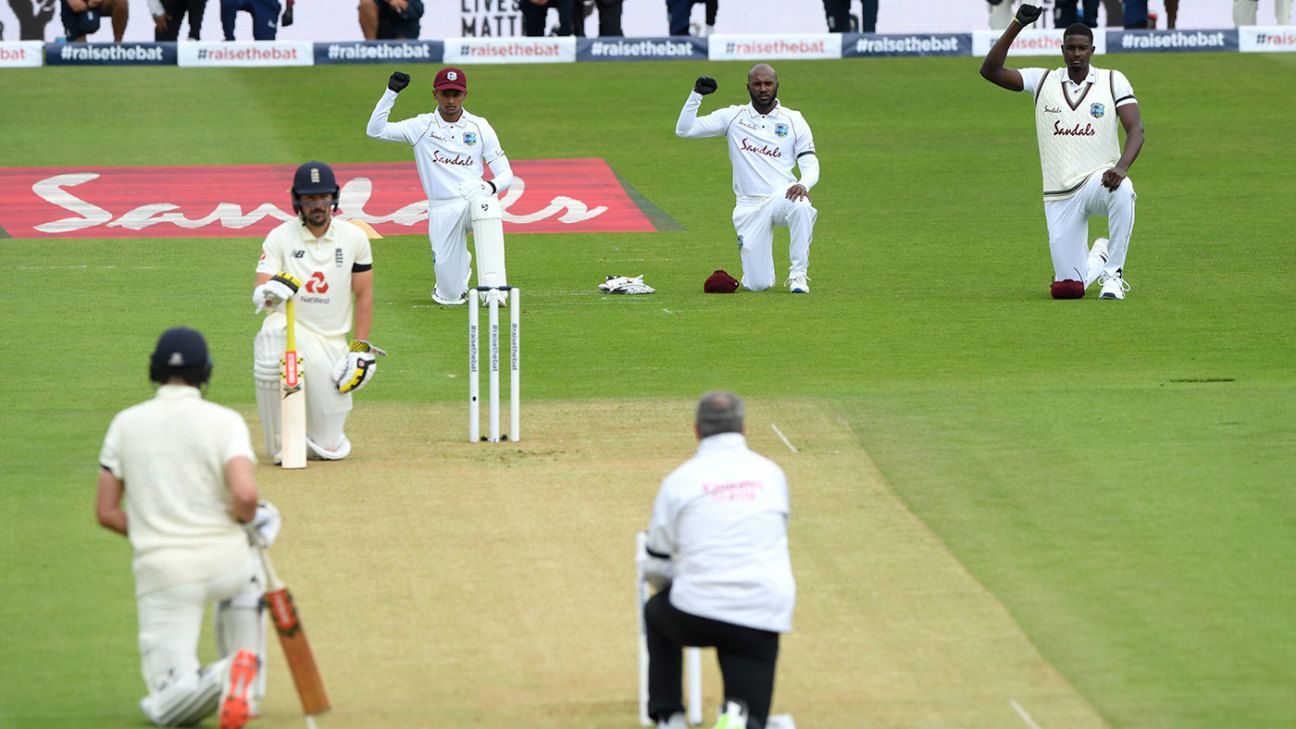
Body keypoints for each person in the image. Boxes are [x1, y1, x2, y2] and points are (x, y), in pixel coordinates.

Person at [96, 327, 280, 729]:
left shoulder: (125, 424)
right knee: (247, 574)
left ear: (154, 371)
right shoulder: (225, 421)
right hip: (226, 562)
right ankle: (243, 687)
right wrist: (249, 523)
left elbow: (106, 511)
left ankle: (222, 676)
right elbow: (246, 496)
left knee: (167, 703)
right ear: (206, 372)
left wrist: (152, 533)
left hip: (164, 573)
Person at [639, 391, 795, 729]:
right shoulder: (772, 474)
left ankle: (670, 716)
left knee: (655, 612)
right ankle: (739, 716)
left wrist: (683, 579)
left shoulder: (679, 481)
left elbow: (653, 561)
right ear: (743, 428)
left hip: (697, 610)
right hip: (761, 611)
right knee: (747, 715)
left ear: (696, 430)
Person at [980, 6, 1144, 300]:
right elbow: (989, 71)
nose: (1076, 54)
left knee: (1124, 190)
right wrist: (1017, 25)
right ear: (1062, 50)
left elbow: (1136, 130)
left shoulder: (1112, 80)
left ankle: (1113, 277)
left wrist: (1121, 167)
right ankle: (1101, 254)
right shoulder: (1042, 80)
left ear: (1092, 49)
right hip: (1059, 195)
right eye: (1071, 48)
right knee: (1068, 290)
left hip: (1098, 182)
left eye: (1082, 48)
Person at [252, 161, 380, 461]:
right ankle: (281, 444)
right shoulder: (280, 237)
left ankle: (314, 437)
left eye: (322, 197)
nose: (317, 204)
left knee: (329, 445)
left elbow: (364, 294)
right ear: (298, 200)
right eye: (310, 198)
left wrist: (359, 348)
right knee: (272, 331)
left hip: (331, 342)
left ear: (333, 197)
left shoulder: (354, 238)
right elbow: (260, 293)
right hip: (293, 331)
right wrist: (269, 292)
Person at [366, 67, 515, 306]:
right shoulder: (421, 126)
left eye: (456, 94)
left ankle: (494, 289)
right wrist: (391, 92)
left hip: (473, 200)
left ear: (465, 95)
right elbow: (375, 130)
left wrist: (487, 188)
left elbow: (506, 174)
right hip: (442, 208)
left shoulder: (479, 126)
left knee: (487, 206)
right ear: (435, 94)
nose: (451, 100)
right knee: (450, 296)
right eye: (446, 94)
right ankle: (456, 268)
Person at [675, 64, 820, 294]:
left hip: (782, 195)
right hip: (749, 206)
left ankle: (798, 275)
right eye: (757, 84)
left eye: (768, 83)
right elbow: (685, 130)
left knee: (802, 205)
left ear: (777, 85)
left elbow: (810, 162)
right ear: (748, 87)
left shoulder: (794, 120)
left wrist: (804, 184)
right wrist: (696, 95)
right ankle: (756, 271)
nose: (763, 89)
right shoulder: (733, 117)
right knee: (758, 285)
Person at [61, 0, 127, 42]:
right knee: (78, 54)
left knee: (120, 2)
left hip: (98, 3)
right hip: (74, 4)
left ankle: (118, 46)